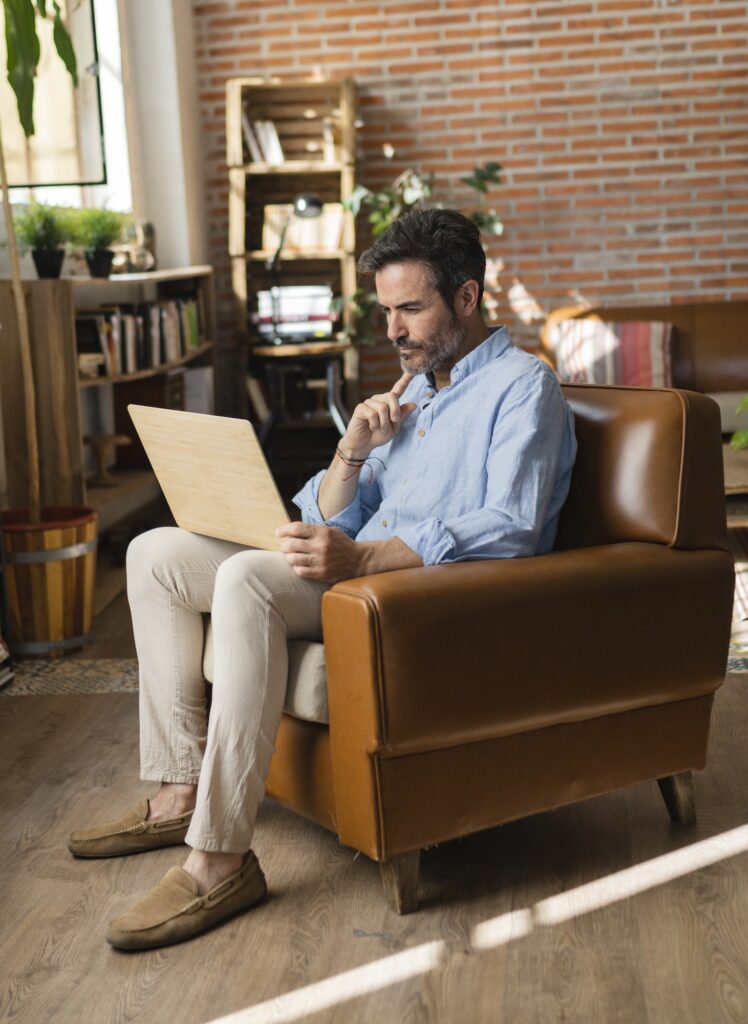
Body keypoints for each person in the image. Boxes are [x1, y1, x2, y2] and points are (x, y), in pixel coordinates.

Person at [67, 208, 577, 951]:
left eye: (411, 309)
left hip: (411, 595)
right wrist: (352, 451)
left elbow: (514, 522)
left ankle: (219, 860)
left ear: (466, 299)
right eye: (386, 312)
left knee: (245, 579)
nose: (394, 329)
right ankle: (180, 787)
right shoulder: (411, 391)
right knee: (155, 554)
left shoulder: (523, 387)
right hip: (346, 575)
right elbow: (321, 509)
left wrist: (363, 559)